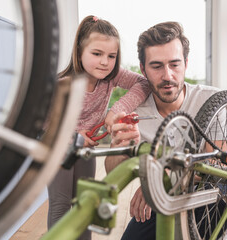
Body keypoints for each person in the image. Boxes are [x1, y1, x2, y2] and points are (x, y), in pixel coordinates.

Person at [104, 21, 220, 240]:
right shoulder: (134, 110)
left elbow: (219, 165)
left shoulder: (211, 100)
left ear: (185, 63)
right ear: (143, 69)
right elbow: (111, 171)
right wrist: (121, 147)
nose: (167, 76)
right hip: (161, 199)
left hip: (208, 195)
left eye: (175, 65)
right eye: (156, 66)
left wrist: (161, 180)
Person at [47, 15, 150, 240]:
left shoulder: (110, 78)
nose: (105, 62)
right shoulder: (63, 85)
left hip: (87, 151)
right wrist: (74, 137)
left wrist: (116, 109)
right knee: (61, 205)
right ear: (79, 52)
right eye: (97, 54)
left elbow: (143, 83)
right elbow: (45, 128)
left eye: (111, 56)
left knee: (87, 203)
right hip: (60, 151)